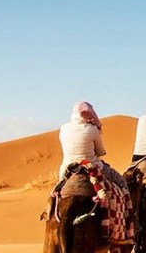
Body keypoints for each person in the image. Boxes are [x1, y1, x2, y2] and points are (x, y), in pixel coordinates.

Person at [56, 100, 132, 243]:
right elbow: (101, 152)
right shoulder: (92, 130)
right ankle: (124, 229)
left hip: (67, 168)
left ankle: (49, 214)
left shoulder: (64, 128)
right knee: (122, 182)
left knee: (57, 192)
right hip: (93, 166)